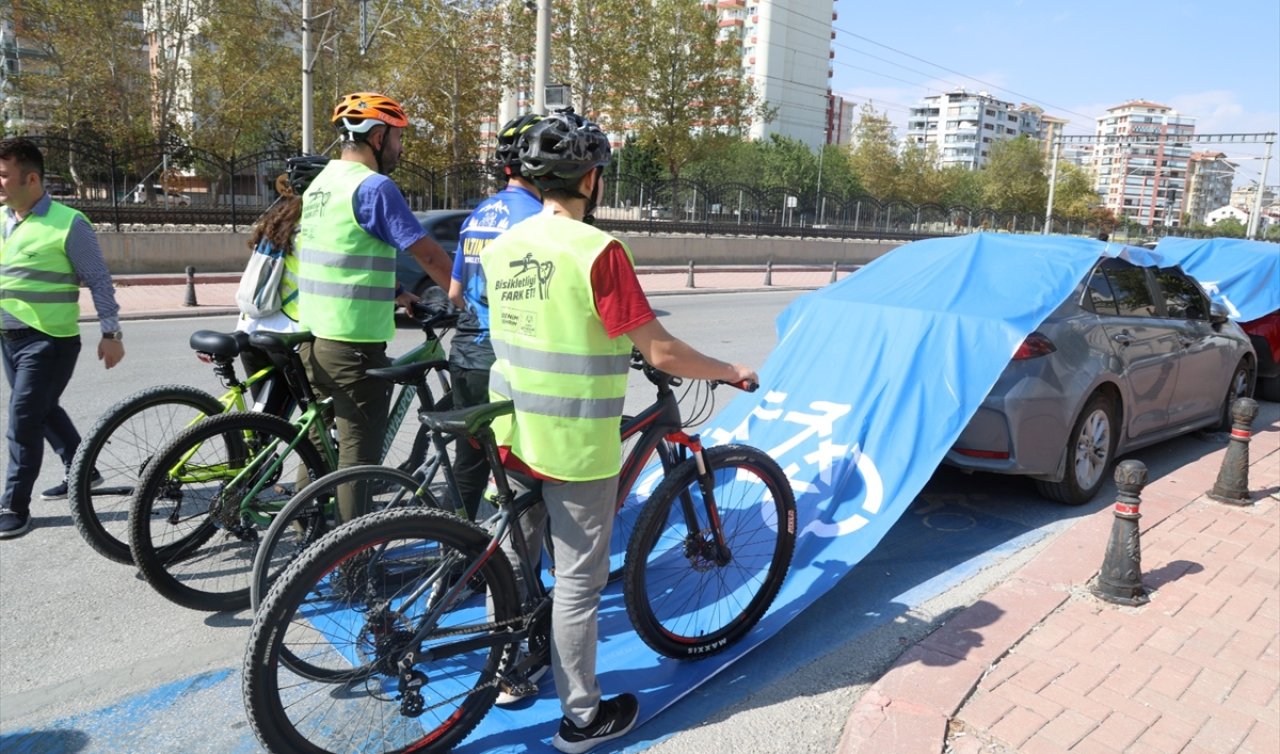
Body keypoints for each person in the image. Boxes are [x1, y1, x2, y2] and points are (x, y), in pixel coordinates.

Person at [481, 110, 757, 753]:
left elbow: (536, 326)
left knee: (518, 561)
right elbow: (660, 353)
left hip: (508, 428)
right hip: (573, 443)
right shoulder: (599, 250)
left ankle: (510, 671)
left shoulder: (503, 247)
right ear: (593, 178)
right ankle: (582, 719)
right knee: (578, 583)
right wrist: (729, 369)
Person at [295, 92, 452, 524]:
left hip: (310, 334)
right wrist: (469, 298)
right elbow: (431, 257)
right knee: (357, 459)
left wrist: (396, 291)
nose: (400, 149)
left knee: (319, 442)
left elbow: (343, 254)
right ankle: (353, 563)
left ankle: (307, 527)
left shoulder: (323, 183)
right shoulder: (374, 187)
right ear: (378, 136)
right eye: (398, 138)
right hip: (352, 343)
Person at [0, 138, 125, 538]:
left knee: (23, 419)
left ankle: (14, 507)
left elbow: (99, 280)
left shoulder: (70, 223)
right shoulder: (4, 220)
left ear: (31, 178)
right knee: (44, 409)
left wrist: (111, 332)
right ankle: (84, 471)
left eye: (4, 176)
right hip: (9, 338)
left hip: (48, 340)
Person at [446, 112, 544, 524]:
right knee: (519, 465)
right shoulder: (538, 219)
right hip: (502, 358)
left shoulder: (479, 214)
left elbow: (454, 293)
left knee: (468, 464)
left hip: (464, 352)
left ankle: (454, 554)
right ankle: (512, 568)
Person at [234, 156, 328, 416]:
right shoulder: (317, 229)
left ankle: (247, 453)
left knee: (266, 424)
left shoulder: (276, 221)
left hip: (250, 329)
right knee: (318, 422)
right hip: (288, 337)